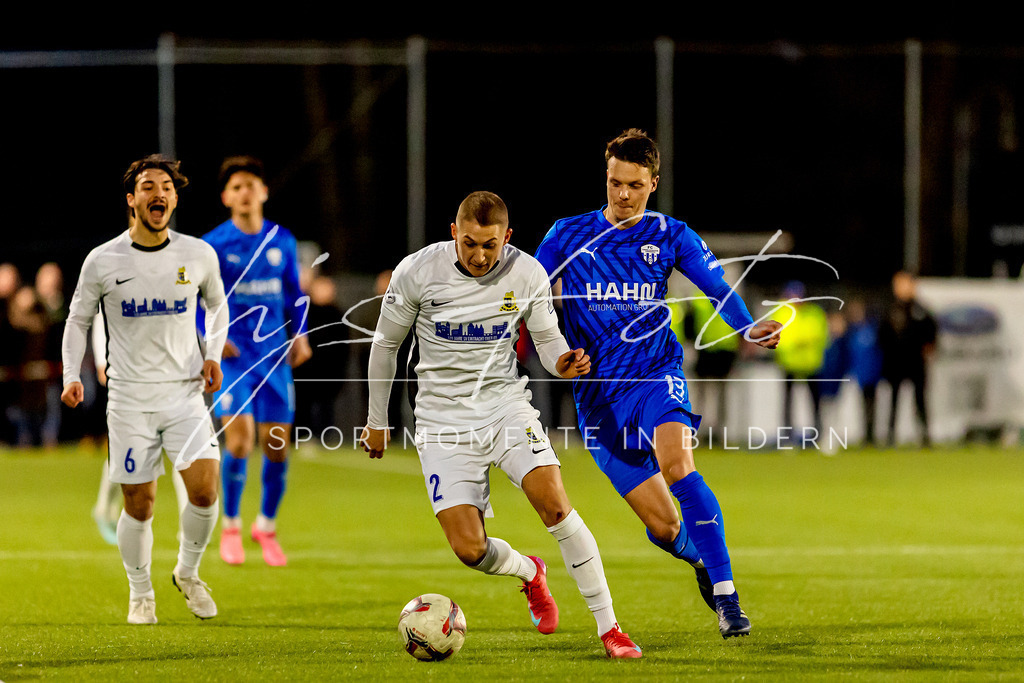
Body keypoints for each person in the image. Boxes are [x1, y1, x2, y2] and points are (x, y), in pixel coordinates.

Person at [360, 191, 643, 659]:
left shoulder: (527, 272)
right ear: (454, 233)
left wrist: (563, 362)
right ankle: (530, 573)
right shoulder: (417, 271)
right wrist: (376, 420)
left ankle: (610, 629)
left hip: (505, 406)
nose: (478, 255)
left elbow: (550, 341)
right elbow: (385, 345)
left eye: (489, 245)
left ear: (506, 238)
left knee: (555, 505)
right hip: (442, 419)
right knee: (469, 549)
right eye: (469, 243)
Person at [534, 129, 782, 639]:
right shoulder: (567, 233)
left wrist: (746, 326)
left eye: (634, 185)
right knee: (667, 528)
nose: (622, 194)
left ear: (653, 183)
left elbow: (719, 286)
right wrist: (556, 353)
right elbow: (531, 297)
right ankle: (699, 561)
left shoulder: (671, 235)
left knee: (679, 466)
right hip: (599, 401)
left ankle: (727, 597)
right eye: (614, 182)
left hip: (655, 377)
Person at [61, 154, 228, 624]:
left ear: (174, 198)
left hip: (184, 395)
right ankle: (141, 594)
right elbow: (78, 320)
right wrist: (71, 374)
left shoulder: (196, 254)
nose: (160, 194)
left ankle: (187, 572)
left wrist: (212, 353)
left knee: (204, 489)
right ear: (132, 200)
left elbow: (217, 307)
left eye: (167, 188)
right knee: (141, 501)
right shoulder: (103, 259)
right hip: (130, 400)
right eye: (149, 187)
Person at [201, 155, 312, 567]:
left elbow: (294, 294)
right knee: (241, 440)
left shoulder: (282, 240)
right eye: (237, 186)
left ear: (263, 192)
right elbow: (199, 301)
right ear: (227, 197)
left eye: (252, 185)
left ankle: (265, 525)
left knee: (277, 447)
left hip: (274, 357)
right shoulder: (213, 244)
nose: (245, 192)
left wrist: (300, 333)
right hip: (234, 360)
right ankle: (231, 524)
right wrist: (214, 335)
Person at [879, 270, 937, 447]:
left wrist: (929, 347)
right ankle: (890, 435)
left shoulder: (920, 310)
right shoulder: (890, 309)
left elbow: (931, 332)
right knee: (894, 399)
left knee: (920, 398)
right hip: (895, 362)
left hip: (915, 362)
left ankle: (925, 434)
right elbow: (882, 335)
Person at [774, 280, 829, 442]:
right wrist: (800, 342)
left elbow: (821, 335)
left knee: (815, 402)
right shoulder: (781, 312)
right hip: (789, 363)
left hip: (811, 364)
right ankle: (787, 435)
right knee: (788, 402)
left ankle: (817, 435)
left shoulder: (814, 312)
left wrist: (798, 342)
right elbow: (778, 339)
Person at [844, 298, 883, 445]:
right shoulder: (852, 332)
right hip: (858, 375)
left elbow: (879, 353)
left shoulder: (873, 329)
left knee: (872, 406)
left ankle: (871, 435)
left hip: (872, 375)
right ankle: (865, 435)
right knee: (861, 407)